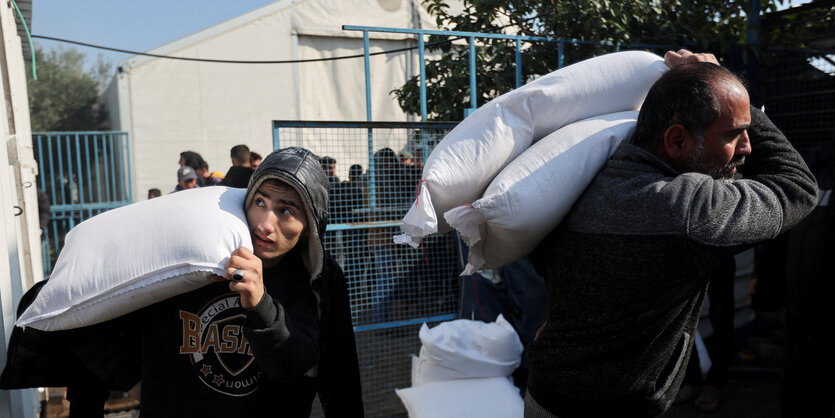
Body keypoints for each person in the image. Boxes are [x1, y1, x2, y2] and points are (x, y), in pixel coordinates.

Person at [524, 50, 818, 418]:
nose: (747, 147)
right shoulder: (688, 207)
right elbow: (797, 186)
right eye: (734, 134)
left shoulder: (587, 179)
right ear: (676, 140)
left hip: (545, 392)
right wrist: (714, 76)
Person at [135, 146, 364, 416]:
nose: (265, 224)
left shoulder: (319, 277)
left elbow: (330, 370)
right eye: (260, 203)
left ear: (309, 227)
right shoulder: (198, 254)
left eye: (286, 211)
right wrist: (130, 380)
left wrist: (261, 304)